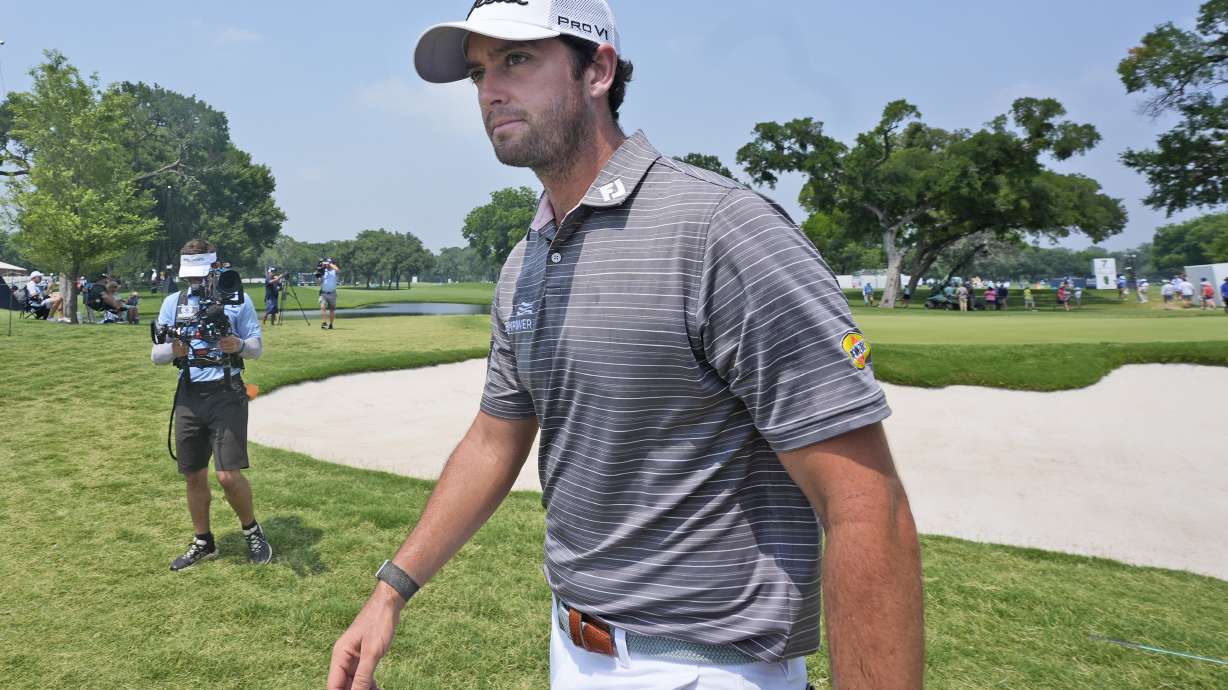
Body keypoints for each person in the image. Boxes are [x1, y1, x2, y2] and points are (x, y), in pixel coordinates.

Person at [328, 3, 923, 689]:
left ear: (598, 70)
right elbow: (495, 439)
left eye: (518, 60)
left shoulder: (721, 230)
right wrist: (390, 590)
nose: (492, 90)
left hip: (708, 668)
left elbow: (864, 506)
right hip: (575, 647)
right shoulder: (528, 260)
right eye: (479, 72)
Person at [150, 239, 272, 571]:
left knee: (228, 476)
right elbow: (156, 355)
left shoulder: (237, 302)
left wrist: (238, 345)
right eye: (189, 275)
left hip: (227, 391)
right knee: (193, 473)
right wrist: (174, 351)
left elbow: (256, 348)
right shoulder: (172, 304)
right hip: (189, 393)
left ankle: (251, 530)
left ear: (215, 270)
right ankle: (203, 542)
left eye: (199, 275)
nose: (194, 282)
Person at [318, 259, 339, 330]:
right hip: (323, 293)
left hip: (332, 293)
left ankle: (331, 324)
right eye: (326, 263)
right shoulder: (323, 271)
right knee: (323, 307)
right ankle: (324, 322)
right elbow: (318, 282)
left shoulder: (334, 271)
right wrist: (319, 277)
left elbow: (338, 270)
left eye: (329, 263)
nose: (327, 265)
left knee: (332, 310)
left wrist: (329, 263)